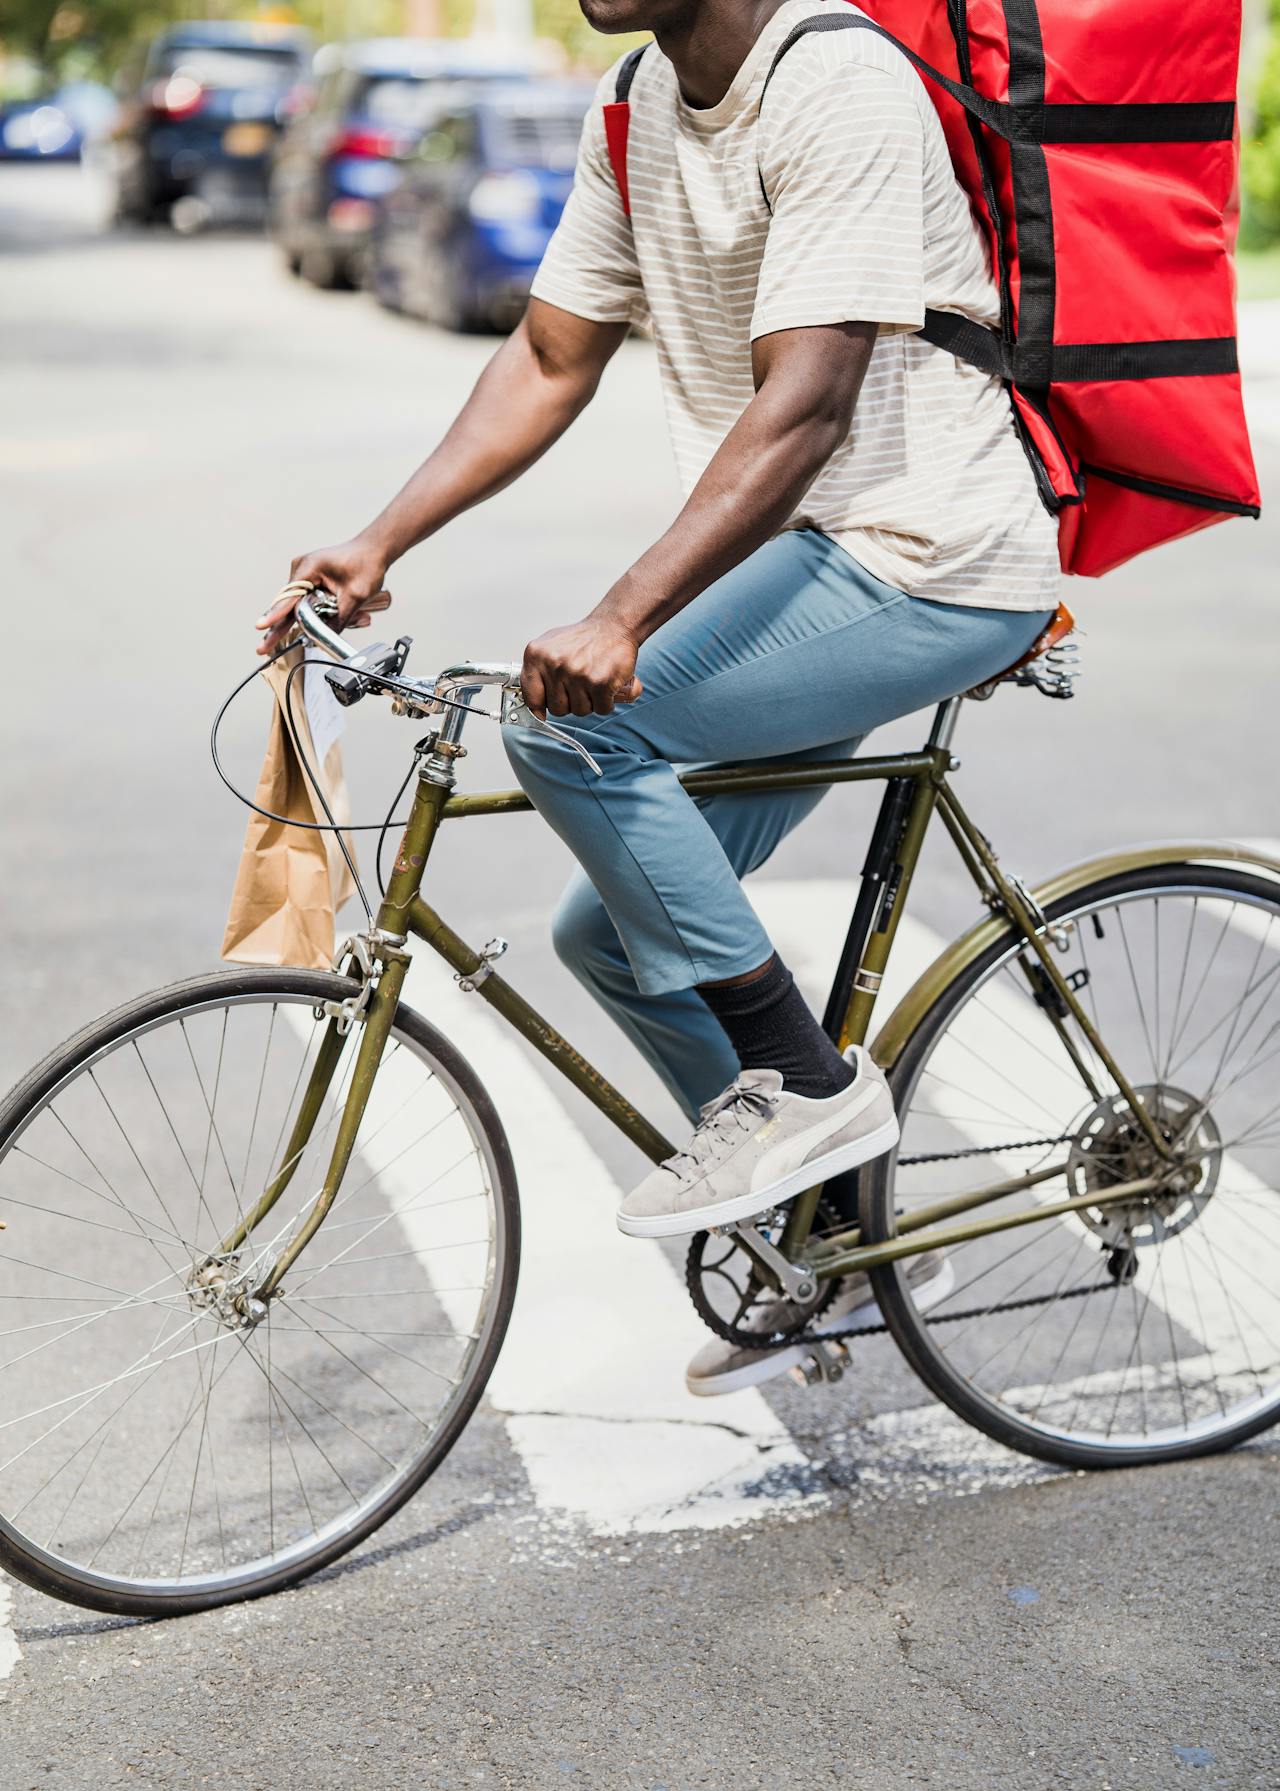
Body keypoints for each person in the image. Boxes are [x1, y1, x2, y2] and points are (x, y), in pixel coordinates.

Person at [258, 0, 1060, 1392]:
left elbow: (808, 406)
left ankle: (806, 1090)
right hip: (819, 564)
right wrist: (382, 539)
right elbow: (550, 356)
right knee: (615, 938)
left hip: (933, 560)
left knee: (572, 725)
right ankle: (828, 1235)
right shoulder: (634, 101)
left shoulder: (837, 83)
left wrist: (626, 616)